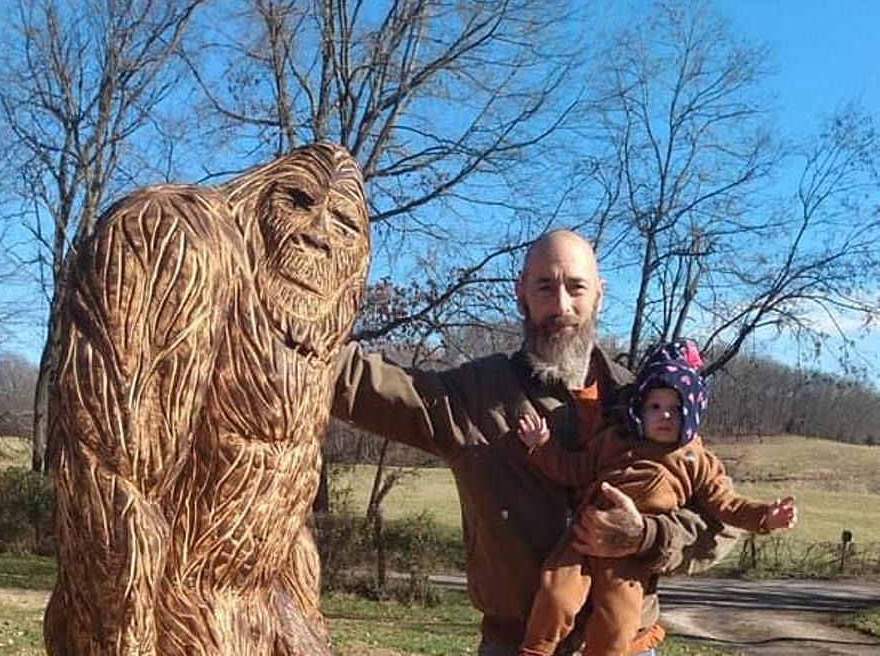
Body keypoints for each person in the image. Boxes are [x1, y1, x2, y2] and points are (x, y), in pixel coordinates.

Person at [332, 229, 739, 655]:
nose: (561, 305)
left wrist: (646, 535)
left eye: (576, 287)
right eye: (545, 286)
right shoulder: (476, 395)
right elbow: (362, 384)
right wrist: (275, 332)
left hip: (628, 646)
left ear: (598, 294)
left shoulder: (647, 404)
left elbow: (721, 518)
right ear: (521, 293)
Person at [516, 339, 797, 656]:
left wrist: (764, 517)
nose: (665, 415)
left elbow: (726, 504)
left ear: (692, 413)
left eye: (676, 409)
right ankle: (535, 651)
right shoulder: (613, 439)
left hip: (629, 557)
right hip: (582, 537)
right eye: (655, 406)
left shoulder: (695, 459)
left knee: (618, 622)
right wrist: (542, 445)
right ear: (639, 408)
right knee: (556, 595)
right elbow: (573, 469)